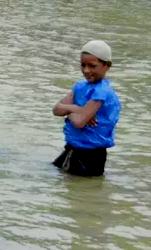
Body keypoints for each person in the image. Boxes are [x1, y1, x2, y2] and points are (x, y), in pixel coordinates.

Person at [52, 40, 121, 177]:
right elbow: (56, 110)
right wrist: (77, 109)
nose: (86, 70)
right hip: (73, 149)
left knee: (78, 190)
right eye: (83, 65)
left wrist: (69, 112)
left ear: (107, 65)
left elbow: (79, 122)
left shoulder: (102, 92)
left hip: (91, 155)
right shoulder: (80, 87)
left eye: (92, 66)